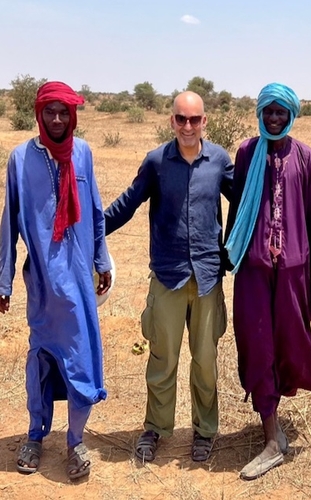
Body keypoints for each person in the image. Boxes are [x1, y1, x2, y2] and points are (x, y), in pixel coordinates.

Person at [105, 91, 233, 463]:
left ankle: (205, 431)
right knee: (162, 360)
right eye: (181, 119)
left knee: (205, 360)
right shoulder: (157, 162)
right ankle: (156, 429)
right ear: (171, 121)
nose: (188, 126)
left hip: (208, 276)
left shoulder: (219, 161)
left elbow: (244, 203)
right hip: (167, 275)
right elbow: (127, 204)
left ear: (205, 121)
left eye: (195, 120)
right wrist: (90, 233)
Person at [0, 81, 112, 480]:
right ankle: (34, 436)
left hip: (80, 280)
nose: (59, 119)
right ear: (39, 113)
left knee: (81, 359)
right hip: (43, 283)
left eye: (65, 111)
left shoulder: (82, 153)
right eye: (51, 111)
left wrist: (102, 259)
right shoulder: (19, 159)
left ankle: (75, 442)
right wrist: (4, 280)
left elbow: (96, 211)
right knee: (42, 360)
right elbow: (9, 222)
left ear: (74, 115)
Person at [225, 83, 311, 480]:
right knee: (257, 346)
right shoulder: (246, 153)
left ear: (292, 115)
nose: (274, 118)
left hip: (292, 275)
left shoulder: (306, 159)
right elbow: (239, 207)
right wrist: (230, 253)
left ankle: (274, 428)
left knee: (288, 346)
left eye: (281, 112)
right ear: (259, 113)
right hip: (254, 271)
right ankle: (272, 440)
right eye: (268, 111)